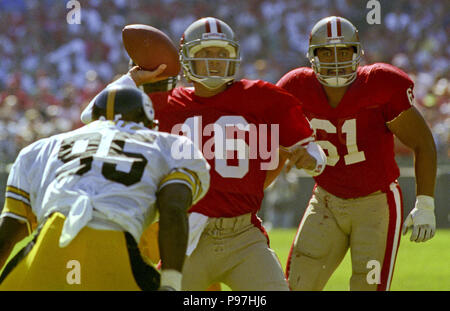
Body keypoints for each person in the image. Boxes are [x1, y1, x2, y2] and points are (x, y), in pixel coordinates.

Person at [81, 17, 326, 291]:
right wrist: (132, 79)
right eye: (205, 53)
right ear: (186, 59)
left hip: (244, 235)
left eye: (222, 54)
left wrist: (310, 158)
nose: (214, 61)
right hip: (188, 237)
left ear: (234, 57)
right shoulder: (164, 103)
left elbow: (315, 157)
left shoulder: (263, 97)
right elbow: (93, 116)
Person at [276, 16, 437, 291]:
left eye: (343, 51)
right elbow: (276, 141)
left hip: (377, 204)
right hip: (325, 199)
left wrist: (425, 204)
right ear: (312, 56)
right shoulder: (296, 87)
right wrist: (293, 153)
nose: (335, 60)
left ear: (357, 53)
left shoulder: (381, 84)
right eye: (326, 52)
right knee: (295, 285)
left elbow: (423, 143)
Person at [0, 85, 210, 290]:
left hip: (50, 243)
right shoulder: (172, 146)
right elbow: (172, 211)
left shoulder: (42, 147)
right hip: (114, 247)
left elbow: (10, 228)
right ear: (146, 122)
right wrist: (171, 284)